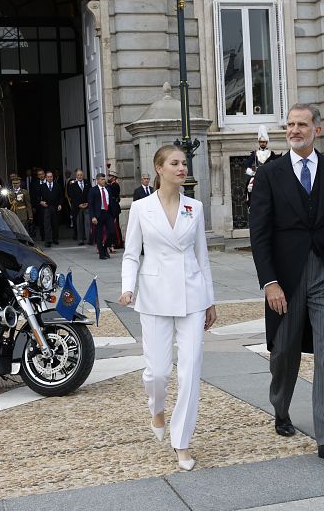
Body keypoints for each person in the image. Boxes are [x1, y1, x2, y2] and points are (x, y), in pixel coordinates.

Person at [249, 103, 324, 465]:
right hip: (286, 280)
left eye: (302, 124)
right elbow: (259, 234)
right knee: (284, 353)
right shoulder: (270, 174)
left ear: (317, 130)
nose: (295, 130)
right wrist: (270, 283)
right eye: (290, 124)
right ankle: (280, 407)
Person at [119, 145, 217, 472]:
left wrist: (210, 300)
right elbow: (132, 253)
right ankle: (156, 408)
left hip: (192, 294)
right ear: (159, 168)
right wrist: (128, 287)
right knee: (158, 372)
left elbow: (202, 256)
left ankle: (182, 441)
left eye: (184, 163)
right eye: (174, 163)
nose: (181, 168)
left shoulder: (195, 207)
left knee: (190, 371)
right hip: (155, 294)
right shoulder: (141, 207)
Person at [244, 125, 280, 206]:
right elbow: (247, 164)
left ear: (266, 142)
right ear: (259, 142)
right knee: (250, 187)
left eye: (264, 142)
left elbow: (275, 165)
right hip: (257, 175)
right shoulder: (254, 153)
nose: (262, 143)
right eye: (261, 142)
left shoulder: (271, 153)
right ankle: (251, 204)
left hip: (268, 175)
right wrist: (252, 173)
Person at [89, 172, 117, 259]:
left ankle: (105, 248)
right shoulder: (93, 190)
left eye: (104, 179)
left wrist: (114, 215)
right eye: (102, 179)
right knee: (99, 235)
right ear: (97, 180)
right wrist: (93, 216)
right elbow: (91, 204)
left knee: (112, 232)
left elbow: (111, 202)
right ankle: (101, 254)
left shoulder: (108, 189)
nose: (104, 181)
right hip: (99, 214)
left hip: (108, 213)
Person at [37, 170, 62, 247]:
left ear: (53, 177)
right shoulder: (42, 186)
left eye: (51, 177)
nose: (50, 178)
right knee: (47, 224)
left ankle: (55, 239)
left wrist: (60, 204)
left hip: (55, 207)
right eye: (48, 177)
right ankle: (48, 241)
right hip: (46, 207)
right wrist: (41, 202)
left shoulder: (57, 185)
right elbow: (37, 197)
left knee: (55, 224)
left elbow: (61, 196)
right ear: (46, 177)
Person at [67, 169, 90, 244]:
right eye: (78, 175)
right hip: (77, 207)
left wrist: (87, 203)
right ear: (76, 176)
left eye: (81, 175)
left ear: (83, 175)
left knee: (88, 223)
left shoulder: (87, 182)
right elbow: (71, 196)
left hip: (86, 206)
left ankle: (89, 239)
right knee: (79, 224)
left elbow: (90, 194)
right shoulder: (72, 184)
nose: (80, 176)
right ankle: (80, 240)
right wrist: (78, 204)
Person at [107, 172, 124, 249]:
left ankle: (118, 242)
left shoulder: (114, 185)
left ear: (114, 177)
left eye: (110, 176)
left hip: (114, 208)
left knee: (116, 226)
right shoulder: (111, 185)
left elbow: (112, 194)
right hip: (112, 207)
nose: (108, 177)